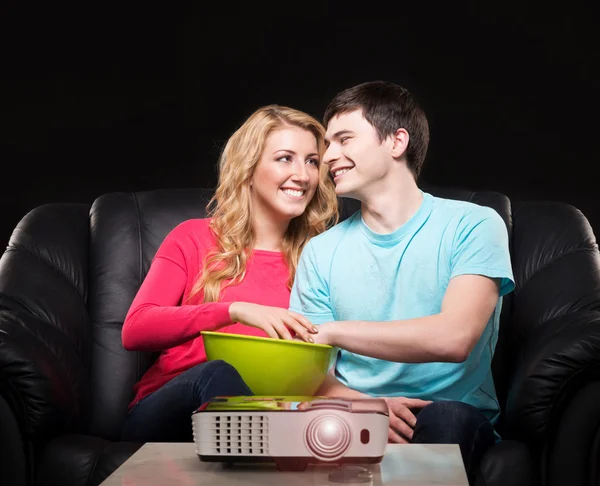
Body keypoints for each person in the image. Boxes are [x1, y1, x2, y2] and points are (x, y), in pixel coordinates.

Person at [289, 81, 515, 484]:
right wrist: (369, 406)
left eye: (343, 139)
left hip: (450, 416)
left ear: (396, 142)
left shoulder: (474, 224)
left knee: (443, 418)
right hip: (354, 415)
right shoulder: (320, 252)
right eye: (328, 144)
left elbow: (455, 337)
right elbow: (305, 372)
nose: (327, 157)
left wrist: (330, 332)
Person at [121, 104, 338, 442]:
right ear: (249, 169)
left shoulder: (321, 258)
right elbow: (136, 330)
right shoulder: (192, 237)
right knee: (218, 374)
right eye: (285, 158)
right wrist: (233, 311)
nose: (304, 175)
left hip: (274, 419)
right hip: (171, 412)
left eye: (312, 161)